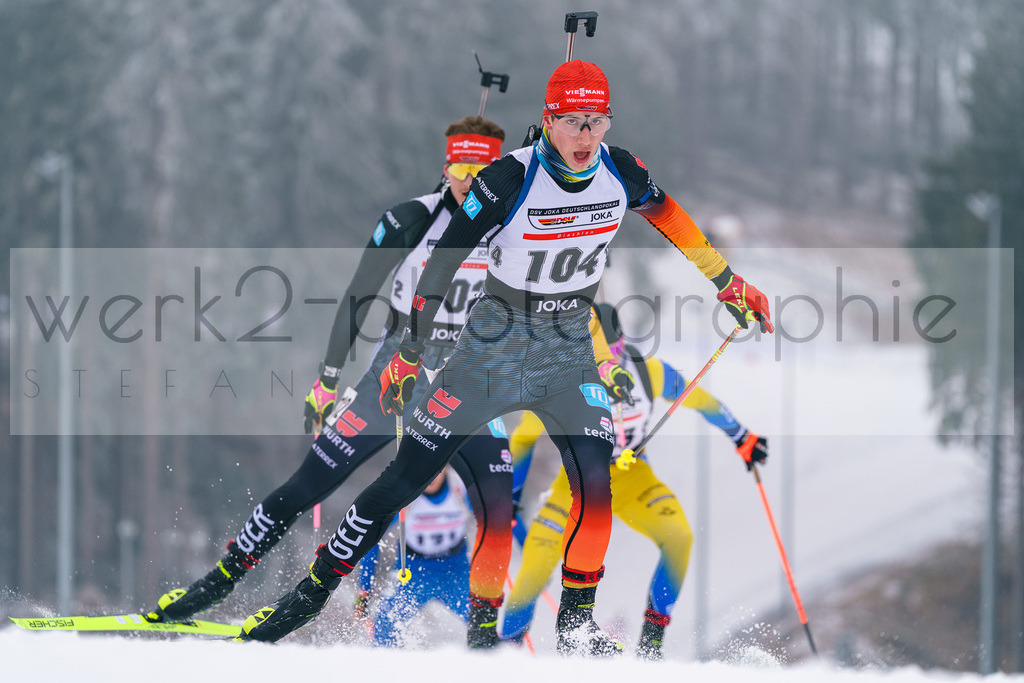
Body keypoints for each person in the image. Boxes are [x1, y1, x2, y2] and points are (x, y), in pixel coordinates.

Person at [238, 60, 772, 657]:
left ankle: (576, 624)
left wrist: (727, 282)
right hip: (490, 351)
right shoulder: (506, 179)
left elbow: (672, 219)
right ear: (548, 120)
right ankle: (308, 596)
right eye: (573, 122)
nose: (586, 137)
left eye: (597, 122)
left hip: (567, 350)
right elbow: (441, 264)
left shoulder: (620, 170)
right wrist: (410, 351)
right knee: (405, 479)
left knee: (597, 485)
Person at [145, 116, 517, 648]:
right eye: (460, 166)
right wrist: (326, 381)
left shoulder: (514, 227)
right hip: (396, 376)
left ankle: (482, 633)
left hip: (465, 386)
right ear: (446, 166)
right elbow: (357, 297)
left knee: (498, 503)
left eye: (481, 169)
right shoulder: (413, 219)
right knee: (308, 484)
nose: (468, 178)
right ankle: (215, 583)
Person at [501, 302, 768, 659]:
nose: (602, 362)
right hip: (577, 481)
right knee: (537, 560)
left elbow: (700, 399)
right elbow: (523, 437)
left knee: (679, 538)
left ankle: (651, 645)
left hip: (633, 476)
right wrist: (512, 495)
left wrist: (741, 437)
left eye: (609, 352)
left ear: (621, 344)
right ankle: (505, 652)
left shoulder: (648, 372)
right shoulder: (562, 381)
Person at [355, 467, 474, 647]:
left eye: (438, 469)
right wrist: (364, 588)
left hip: (455, 571)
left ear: (447, 467)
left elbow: (493, 518)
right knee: (384, 626)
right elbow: (372, 538)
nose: (432, 476)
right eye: (427, 469)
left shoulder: (461, 487)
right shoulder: (404, 495)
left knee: (486, 622)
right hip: (413, 572)